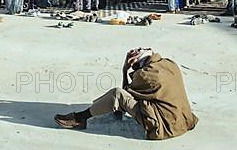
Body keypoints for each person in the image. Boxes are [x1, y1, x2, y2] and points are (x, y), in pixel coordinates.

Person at [54, 48, 198, 140]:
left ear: (136, 62)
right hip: (183, 120)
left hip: (165, 127)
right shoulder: (169, 63)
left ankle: (80, 118)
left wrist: (125, 69)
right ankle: (93, 109)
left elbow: (124, 93)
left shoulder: (145, 75)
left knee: (116, 94)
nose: (136, 49)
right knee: (121, 97)